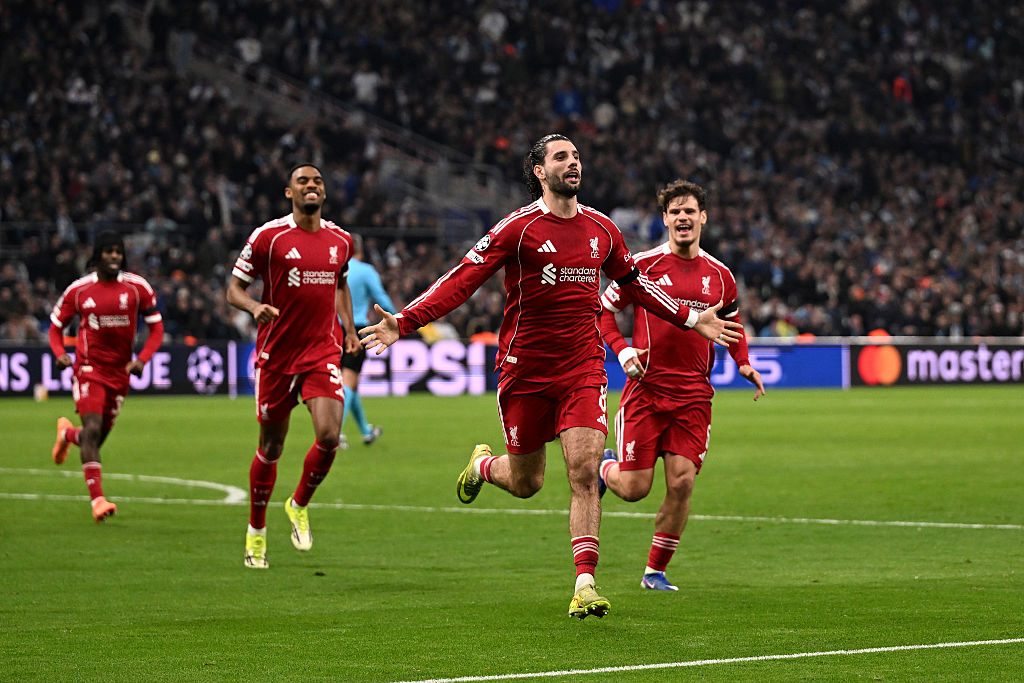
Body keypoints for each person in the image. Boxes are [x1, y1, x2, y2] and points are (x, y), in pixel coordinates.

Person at [359, 134, 743, 618]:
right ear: (539, 171)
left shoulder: (602, 230)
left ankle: (585, 582)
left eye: (576, 156)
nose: (573, 163)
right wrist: (406, 320)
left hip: (582, 368)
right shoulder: (517, 229)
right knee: (527, 482)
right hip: (524, 371)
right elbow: (463, 278)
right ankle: (482, 465)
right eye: (561, 157)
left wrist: (691, 319)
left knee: (583, 473)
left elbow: (636, 286)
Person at [598, 179, 766, 591]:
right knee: (636, 489)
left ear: (703, 218)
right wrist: (621, 351)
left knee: (683, 482)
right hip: (646, 392)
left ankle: (655, 571)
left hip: (693, 397)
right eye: (675, 212)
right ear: (665, 220)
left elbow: (734, 323)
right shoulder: (642, 267)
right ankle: (605, 467)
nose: (683, 217)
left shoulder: (720, 276)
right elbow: (602, 312)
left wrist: (743, 363)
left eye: (690, 211)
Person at [226, 163, 361, 569]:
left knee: (328, 435)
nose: (311, 186)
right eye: (303, 181)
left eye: (318, 180)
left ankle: (298, 503)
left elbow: (340, 283)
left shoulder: (341, 240)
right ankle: (256, 532)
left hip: (321, 351)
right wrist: (253, 307)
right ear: (290, 192)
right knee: (272, 447)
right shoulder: (269, 237)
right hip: (276, 358)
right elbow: (234, 288)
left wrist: (349, 329)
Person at [48, 230, 164, 522]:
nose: (114, 256)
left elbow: (157, 328)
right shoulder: (79, 290)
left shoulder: (138, 288)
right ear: (97, 255)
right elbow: (55, 327)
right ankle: (98, 501)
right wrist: (60, 352)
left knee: (94, 439)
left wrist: (143, 359)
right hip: (89, 370)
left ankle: (66, 434)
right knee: (94, 428)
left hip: (119, 374)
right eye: (108, 251)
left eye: (118, 251)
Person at [337, 233, 395, 449]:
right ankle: (335, 433)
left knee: (350, 382)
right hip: (358, 329)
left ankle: (365, 431)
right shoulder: (366, 271)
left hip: (335, 329)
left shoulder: (336, 269)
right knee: (349, 381)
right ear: (360, 250)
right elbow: (381, 298)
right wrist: (398, 319)